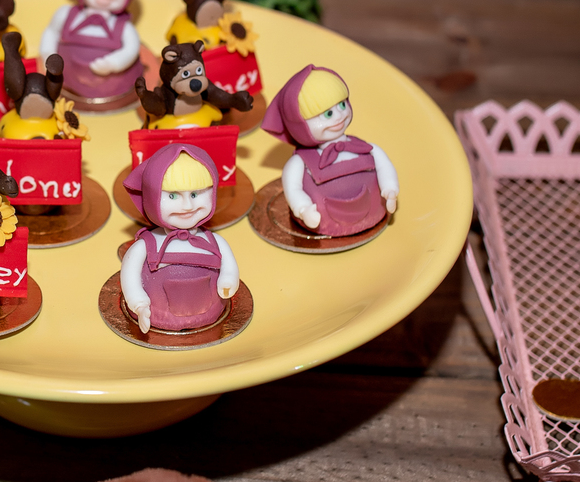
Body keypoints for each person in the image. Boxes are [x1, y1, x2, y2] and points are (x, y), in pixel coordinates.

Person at [261, 65, 398, 236]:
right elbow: (293, 188)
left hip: (373, 210)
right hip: (323, 221)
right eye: (328, 114)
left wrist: (390, 189)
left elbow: (384, 166)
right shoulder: (300, 162)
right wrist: (303, 208)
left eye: (342, 105)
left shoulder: (365, 148)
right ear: (299, 125)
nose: (339, 116)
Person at [120, 144, 239, 333]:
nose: (188, 206)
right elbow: (130, 275)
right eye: (173, 196)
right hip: (156, 316)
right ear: (151, 198)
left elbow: (229, 268)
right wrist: (138, 303)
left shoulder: (214, 241)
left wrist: (228, 280)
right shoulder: (147, 244)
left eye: (195, 194)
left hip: (211, 312)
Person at [40, 0, 143, 100]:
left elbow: (132, 49)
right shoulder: (65, 14)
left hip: (113, 87)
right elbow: (51, 32)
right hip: (65, 79)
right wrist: (48, 53)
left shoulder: (124, 27)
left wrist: (114, 63)